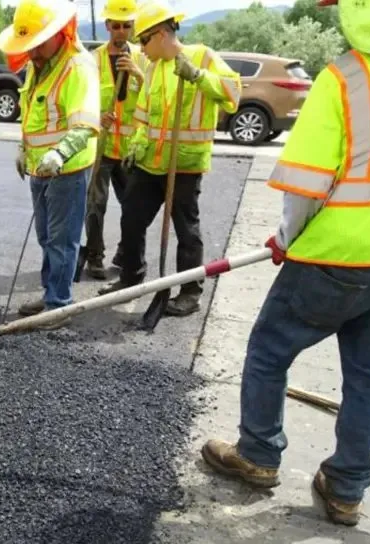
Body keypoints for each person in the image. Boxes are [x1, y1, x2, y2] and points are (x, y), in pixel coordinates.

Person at [200, 0, 370, 526]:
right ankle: (345, 489)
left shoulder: (348, 78)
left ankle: (257, 455)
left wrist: (286, 238)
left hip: (336, 257)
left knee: (269, 351)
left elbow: (306, 186)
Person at [98, 0, 241, 318]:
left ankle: (190, 292)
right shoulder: (152, 68)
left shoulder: (203, 56)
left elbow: (233, 96)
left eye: (143, 40)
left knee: (187, 230)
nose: (140, 48)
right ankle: (131, 278)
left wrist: (198, 76)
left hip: (185, 166)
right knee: (131, 220)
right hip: (150, 164)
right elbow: (144, 114)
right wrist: (134, 147)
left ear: (161, 34)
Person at [0, 0, 101, 327]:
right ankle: (50, 292)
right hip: (39, 169)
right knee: (46, 236)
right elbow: (34, 116)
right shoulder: (37, 66)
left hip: (66, 169)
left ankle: (59, 304)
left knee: (62, 239)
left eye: (39, 42)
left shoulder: (77, 67)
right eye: (29, 44)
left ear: (59, 33)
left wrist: (58, 154)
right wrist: (23, 148)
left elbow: (85, 124)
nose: (33, 51)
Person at [82, 0, 148, 280]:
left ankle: (128, 254)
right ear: (108, 26)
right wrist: (97, 116)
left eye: (127, 26)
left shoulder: (143, 58)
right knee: (95, 204)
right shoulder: (92, 59)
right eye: (116, 26)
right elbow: (81, 98)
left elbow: (155, 96)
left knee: (134, 209)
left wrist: (138, 74)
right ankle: (95, 255)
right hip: (101, 145)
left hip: (129, 150)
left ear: (133, 26)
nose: (121, 31)